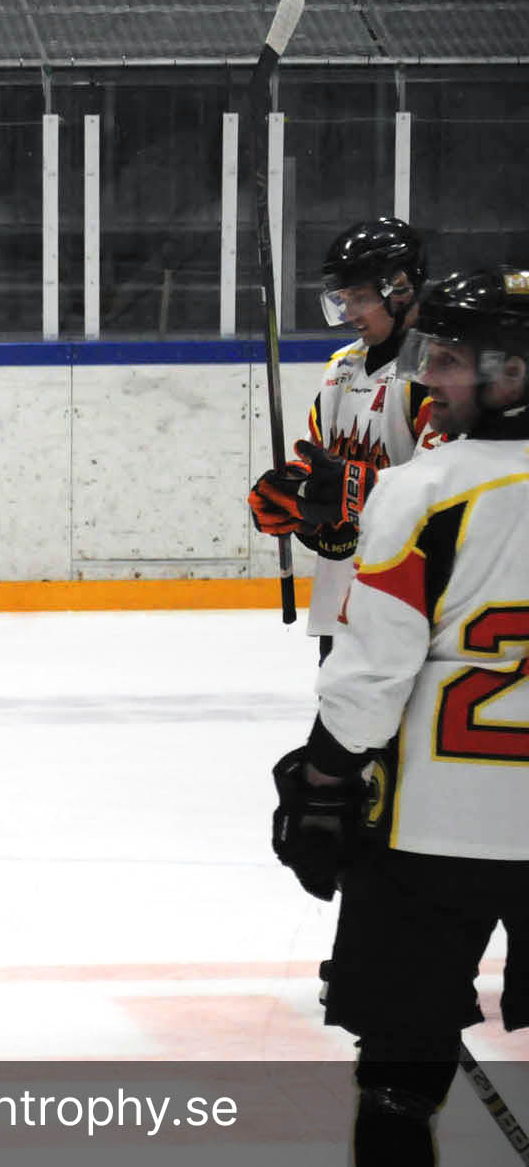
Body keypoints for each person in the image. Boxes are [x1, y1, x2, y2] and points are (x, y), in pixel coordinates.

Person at [269, 267, 529, 1166]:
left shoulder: (425, 491)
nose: (429, 378)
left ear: (513, 373)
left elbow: (372, 674)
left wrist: (323, 780)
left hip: (433, 836)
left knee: (398, 1077)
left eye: (451, 360)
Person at [248, 217, 439, 656]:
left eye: (360, 298)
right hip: (341, 605)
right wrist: (293, 502)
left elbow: (447, 496)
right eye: (343, 299)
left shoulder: (437, 371)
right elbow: (323, 479)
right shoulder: (341, 369)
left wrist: (354, 491)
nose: (350, 314)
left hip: (414, 605)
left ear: (401, 288)